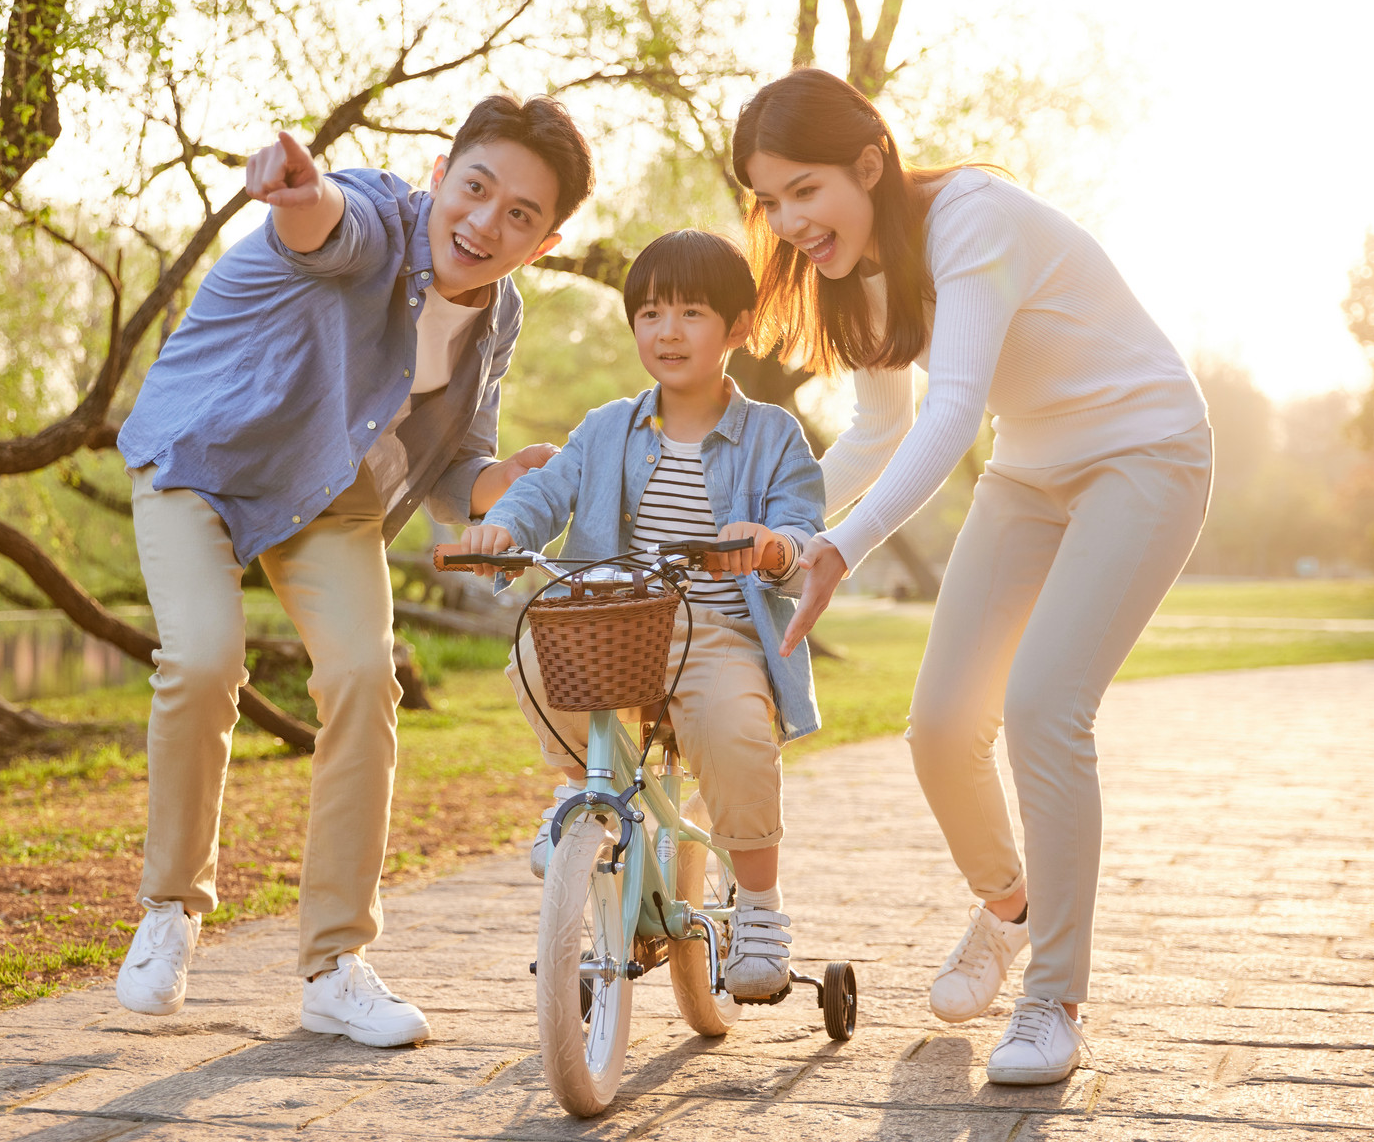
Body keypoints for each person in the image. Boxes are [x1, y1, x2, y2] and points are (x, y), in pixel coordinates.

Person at [735, 68, 1210, 1084]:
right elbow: (880, 426)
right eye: (771, 201)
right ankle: (1011, 909)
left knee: (1044, 710)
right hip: (1032, 470)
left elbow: (951, 415)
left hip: (1146, 451)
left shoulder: (972, 220)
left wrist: (839, 548)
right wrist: (783, 524)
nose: (788, 222)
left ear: (870, 162)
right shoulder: (852, 264)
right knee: (944, 726)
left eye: (804, 190)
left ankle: (1053, 1001)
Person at [113, 94, 594, 1046]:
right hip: (204, 459)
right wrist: (300, 188)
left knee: (369, 678)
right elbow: (325, 228)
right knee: (206, 659)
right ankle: (170, 908)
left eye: (520, 217)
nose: (485, 224)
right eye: (476, 188)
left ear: (543, 242)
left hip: (330, 494)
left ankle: (335, 966)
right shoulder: (377, 218)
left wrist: (501, 480)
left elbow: (459, 463)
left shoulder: (499, 313)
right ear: (442, 174)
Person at [454, 229, 826, 998]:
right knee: (536, 649)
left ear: (738, 328)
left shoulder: (772, 436)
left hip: (717, 631)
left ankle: (757, 905)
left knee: (734, 733)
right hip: (615, 620)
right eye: (651, 312)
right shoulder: (607, 428)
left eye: (691, 312)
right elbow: (540, 494)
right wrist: (504, 529)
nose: (667, 330)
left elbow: (802, 529)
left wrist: (770, 545)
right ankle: (581, 791)